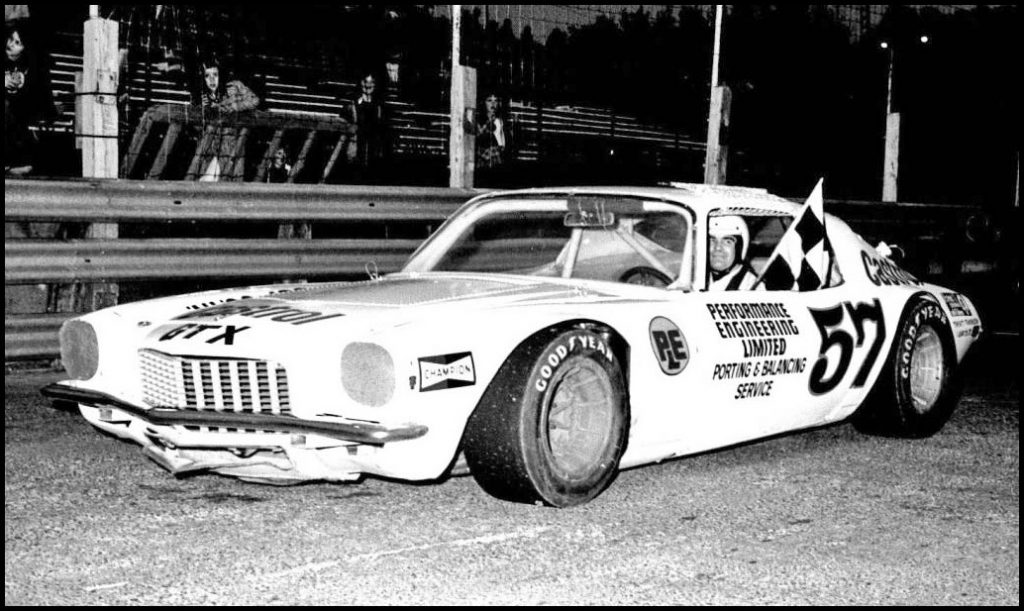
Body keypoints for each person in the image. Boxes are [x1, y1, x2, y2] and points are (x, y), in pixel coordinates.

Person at [193, 58, 260, 181]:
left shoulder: (234, 86)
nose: (212, 79)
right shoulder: (202, 96)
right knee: (206, 181)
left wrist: (234, 107)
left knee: (226, 183)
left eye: (215, 75)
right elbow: (197, 126)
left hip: (231, 143)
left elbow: (254, 100)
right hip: (210, 145)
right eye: (207, 76)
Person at [5, 21, 54, 175]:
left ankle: (12, 165)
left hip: (16, 114)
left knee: (17, 115)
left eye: (17, 42)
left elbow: (36, 96)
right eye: (10, 39)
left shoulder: (29, 67)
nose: (11, 44)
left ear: (24, 48)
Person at [345, 72, 388, 181]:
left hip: (373, 142)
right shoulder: (353, 103)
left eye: (371, 82)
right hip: (357, 141)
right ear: (361, 83)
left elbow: (382, 125)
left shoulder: (380, 105)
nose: (368, 85)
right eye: (365, 82)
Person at [708, 215, 758, 290]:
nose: (717, 248)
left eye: (727, 242)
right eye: (712, 240)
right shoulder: (694, 279)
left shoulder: (752, 287)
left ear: (739, 248)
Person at [475, 92, 508, 170]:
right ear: (484, 103)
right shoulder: (479, 122)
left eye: (495, 100)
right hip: (484, 166)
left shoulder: (501, 121)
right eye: (489, 100)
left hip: (499, 165)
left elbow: (503, 146)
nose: (493, 103)